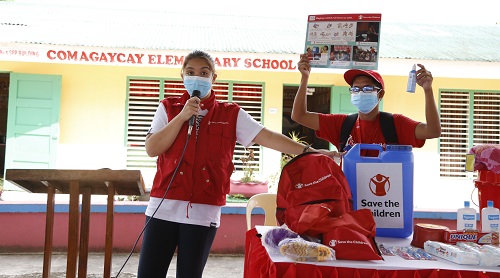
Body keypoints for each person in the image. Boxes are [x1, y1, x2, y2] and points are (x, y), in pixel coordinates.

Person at [137, 50, 338, 278]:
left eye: (204, 72)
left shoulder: (231, 113)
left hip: (203, 211)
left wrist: (310, 151)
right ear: (182, 75)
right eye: (190, 72)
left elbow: (268, 137)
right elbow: (152, 148)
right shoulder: (168, 107)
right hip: (162, 209)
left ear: (214, 78)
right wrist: (182, 116)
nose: (197, 77)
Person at [291, 54, 441, 155]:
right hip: (350, 196)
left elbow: (433, 131)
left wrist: (428, 90)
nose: (360, 92)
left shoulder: (395, 124)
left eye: (367, 89)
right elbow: (299, 116)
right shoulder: (342, 124)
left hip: (386, 197)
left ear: (380, 94)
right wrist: (305, 78)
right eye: (356, 89)